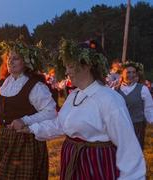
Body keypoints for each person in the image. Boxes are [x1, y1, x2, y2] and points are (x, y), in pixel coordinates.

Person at [15, 39, 146, 179]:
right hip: (73, 161)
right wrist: (31, 128)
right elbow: (60, 124)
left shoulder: (109, 99)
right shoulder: (74, 96)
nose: (66, 71)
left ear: (87, 65)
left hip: (97, 163)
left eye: (70, 66)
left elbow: (128, 147)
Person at [0, 39, 57, 179]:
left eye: (16, 58)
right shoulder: (2, 83)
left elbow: (50, 112)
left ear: (26, 62)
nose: (10, 62)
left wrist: (25, 120)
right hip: (0, 139)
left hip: (24, 142)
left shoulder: (35, 86)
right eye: (9, 58)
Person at [115, 61, 153, 150]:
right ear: (122, 74)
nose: (131, 75)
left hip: (137, 126)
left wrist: (151, 120)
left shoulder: (142, 89)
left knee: (135, 151)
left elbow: (149, 108)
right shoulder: (116, 89)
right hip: (120, 126)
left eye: (133, 72)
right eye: (128, 72)